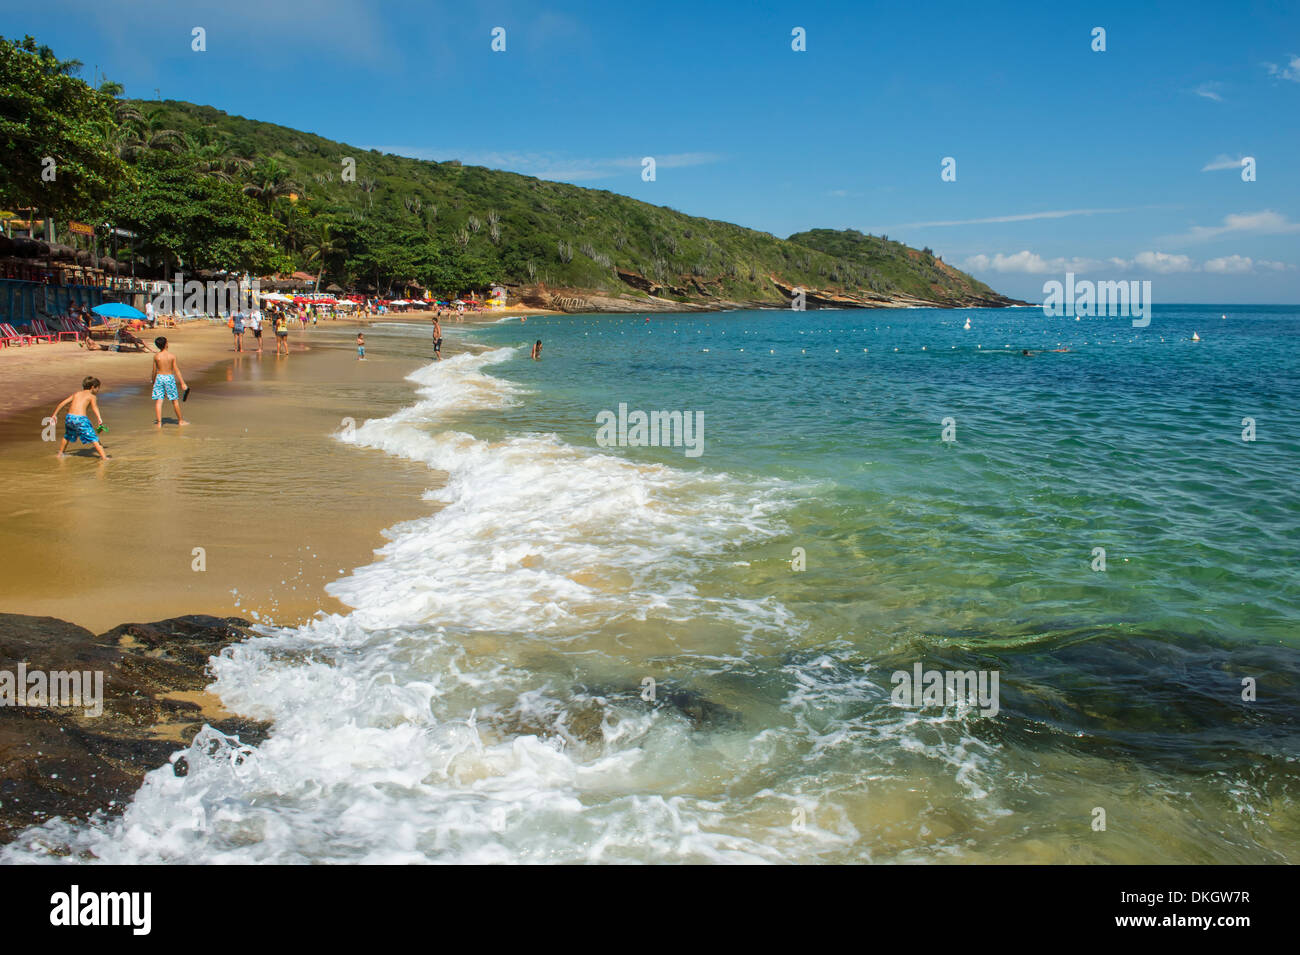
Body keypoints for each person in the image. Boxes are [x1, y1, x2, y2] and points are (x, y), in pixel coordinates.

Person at [53, 376, 108, 460]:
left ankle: (60, 454)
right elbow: (94, 407)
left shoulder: (76, 394)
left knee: (67, 435)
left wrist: (54, 415)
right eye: (98, 388)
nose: (98, 390)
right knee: (93, 438)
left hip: (69, 418)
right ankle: (104, 458)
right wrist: (99, 418)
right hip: (80, 419)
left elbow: (62, 403)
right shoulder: (92, 396)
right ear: (93, 387)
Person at [151, 337, 188, 427]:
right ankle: (180, 421)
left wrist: (153, 380)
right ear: (166, 344)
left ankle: (159, 423)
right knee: (174, 401)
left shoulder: (156, 356)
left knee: (159, 401)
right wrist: (183, 383)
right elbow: (177, 370)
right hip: (169, 378)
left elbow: (154, 370)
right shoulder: (171, 356)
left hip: (159, 377)